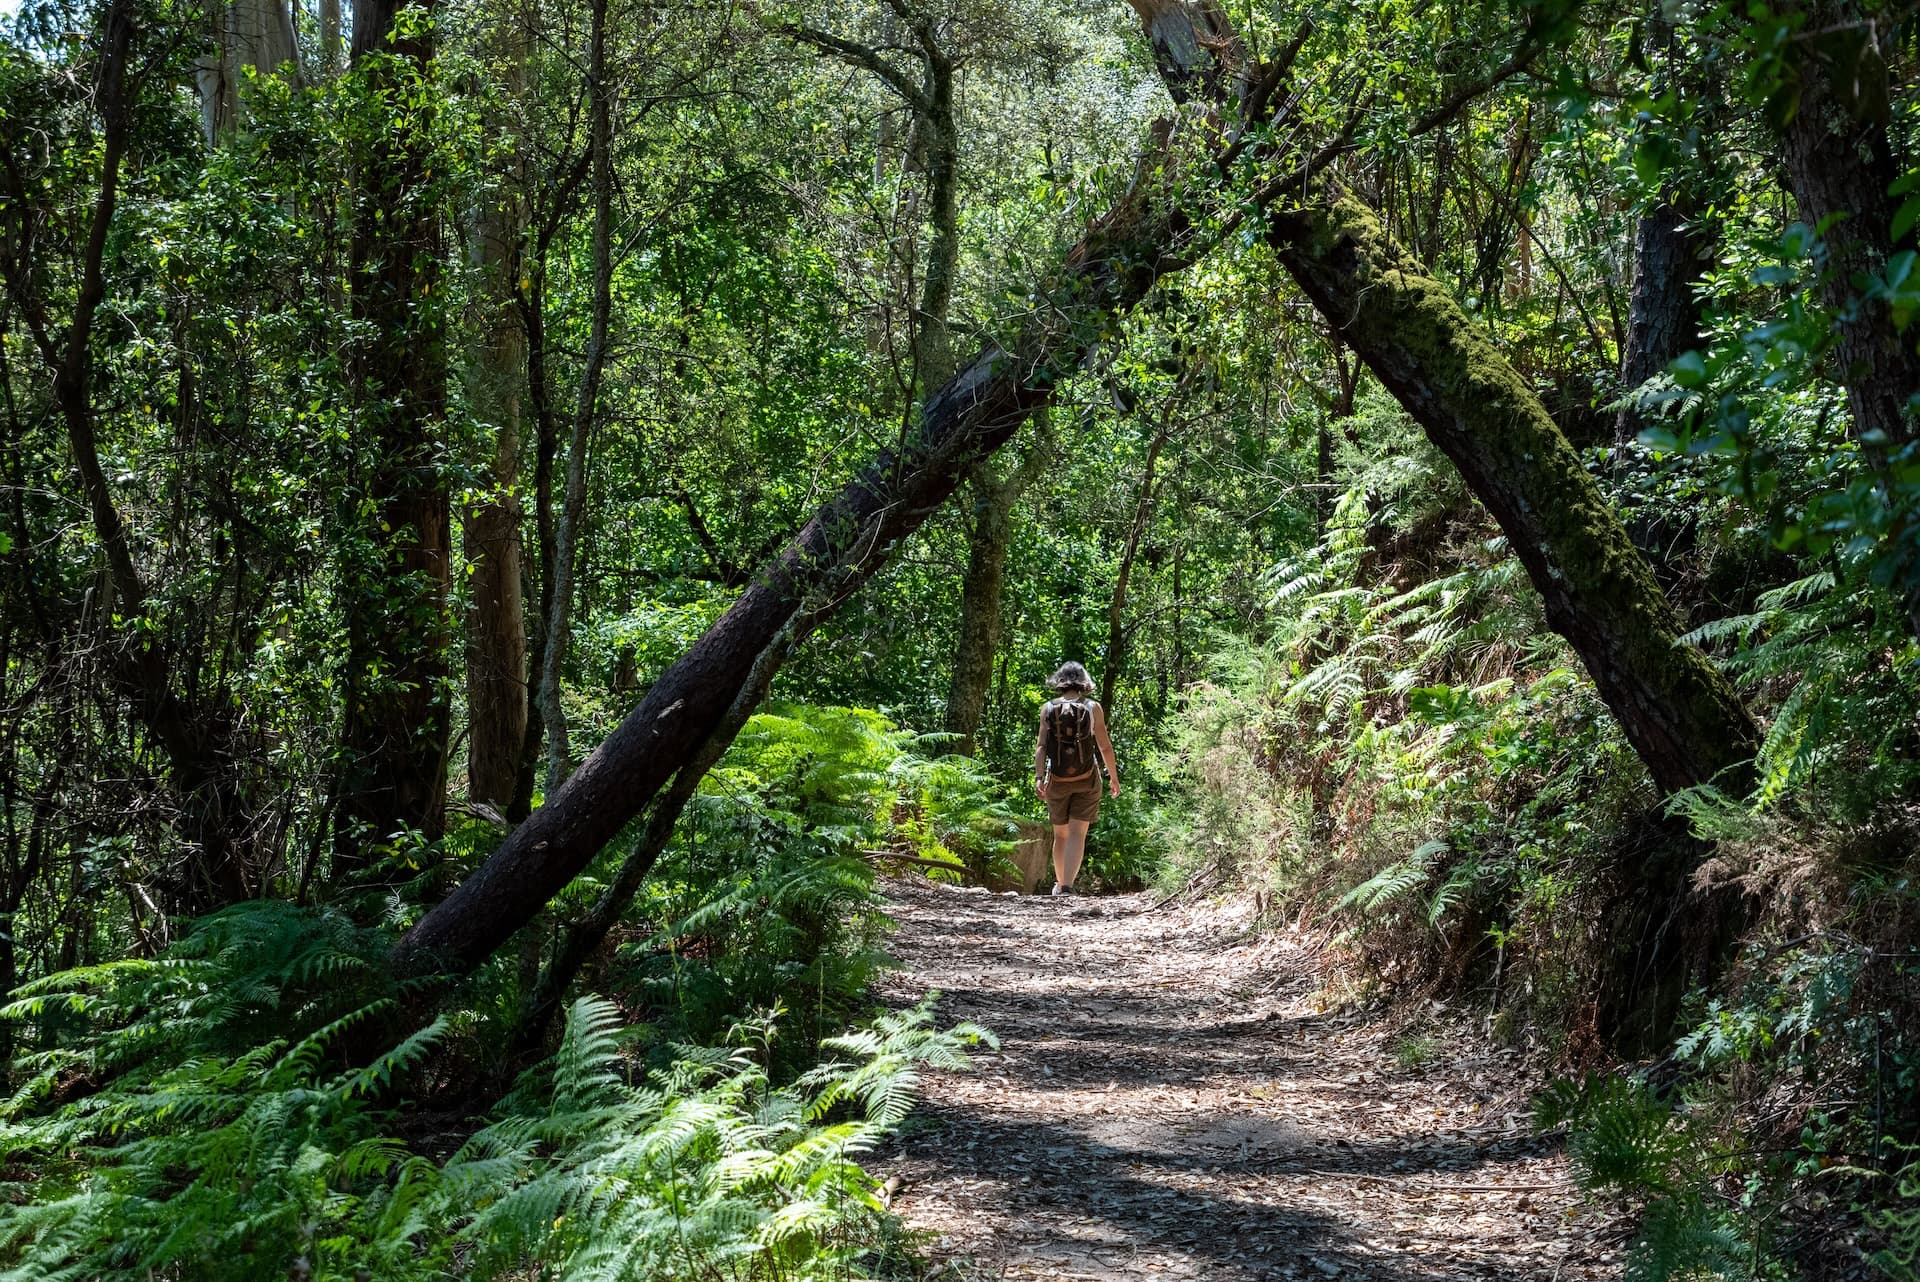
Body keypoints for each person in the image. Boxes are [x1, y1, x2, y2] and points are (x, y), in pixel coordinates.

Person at [1033, 661, 1118, 896]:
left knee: (1060, 834)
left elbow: (1041, 747)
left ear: (1059, 681)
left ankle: (1060, 885)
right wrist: (1113, 777)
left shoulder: (1047, 709)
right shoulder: (1093, 708)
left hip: (1057, 781)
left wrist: (1039, 777)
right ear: (1084, 682)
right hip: (1086, 778)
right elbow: (1105, 747)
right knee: (1077, 833)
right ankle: (1067, 886)